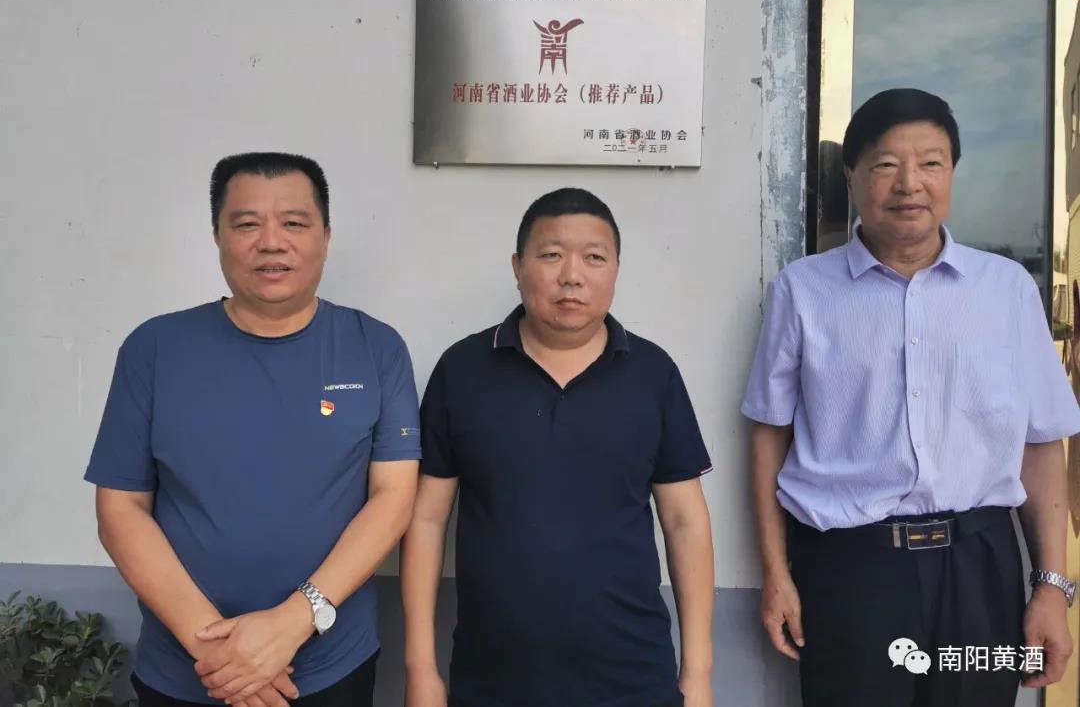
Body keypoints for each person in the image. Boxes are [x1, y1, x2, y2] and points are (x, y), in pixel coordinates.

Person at [743, 88, 1080, 707]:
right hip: (850, 570)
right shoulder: (802, 291)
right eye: (885, 164)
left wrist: (1052, 587)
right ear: (852, 177)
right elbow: (769, 435)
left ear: (951, 173)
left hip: (979, 569)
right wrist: (775, 573)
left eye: (930, 163)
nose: (909, 184)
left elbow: (1040, 444)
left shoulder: (1006, 290)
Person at [85, 152, 421, 707]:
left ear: (325, 236)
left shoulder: (376, 347)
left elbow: (393, 499)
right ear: (217, 235)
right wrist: (224, 655)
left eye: (293, 222)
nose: (271, 242)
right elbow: (121, 509)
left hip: (330, 666)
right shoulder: (155, 349)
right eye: (246, 224)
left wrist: (294, 620)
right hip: (187, 671)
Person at [400, 187, 715, 707]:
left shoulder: (653, 374)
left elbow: (686, 523)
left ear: (616, 269)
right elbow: (426, 520)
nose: (572, 275)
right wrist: (420, 669)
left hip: (633, 677)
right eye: (550, 255)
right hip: (493, 677)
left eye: (594, 257)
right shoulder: (462, 370)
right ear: (517, 266)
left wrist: (698, 673)